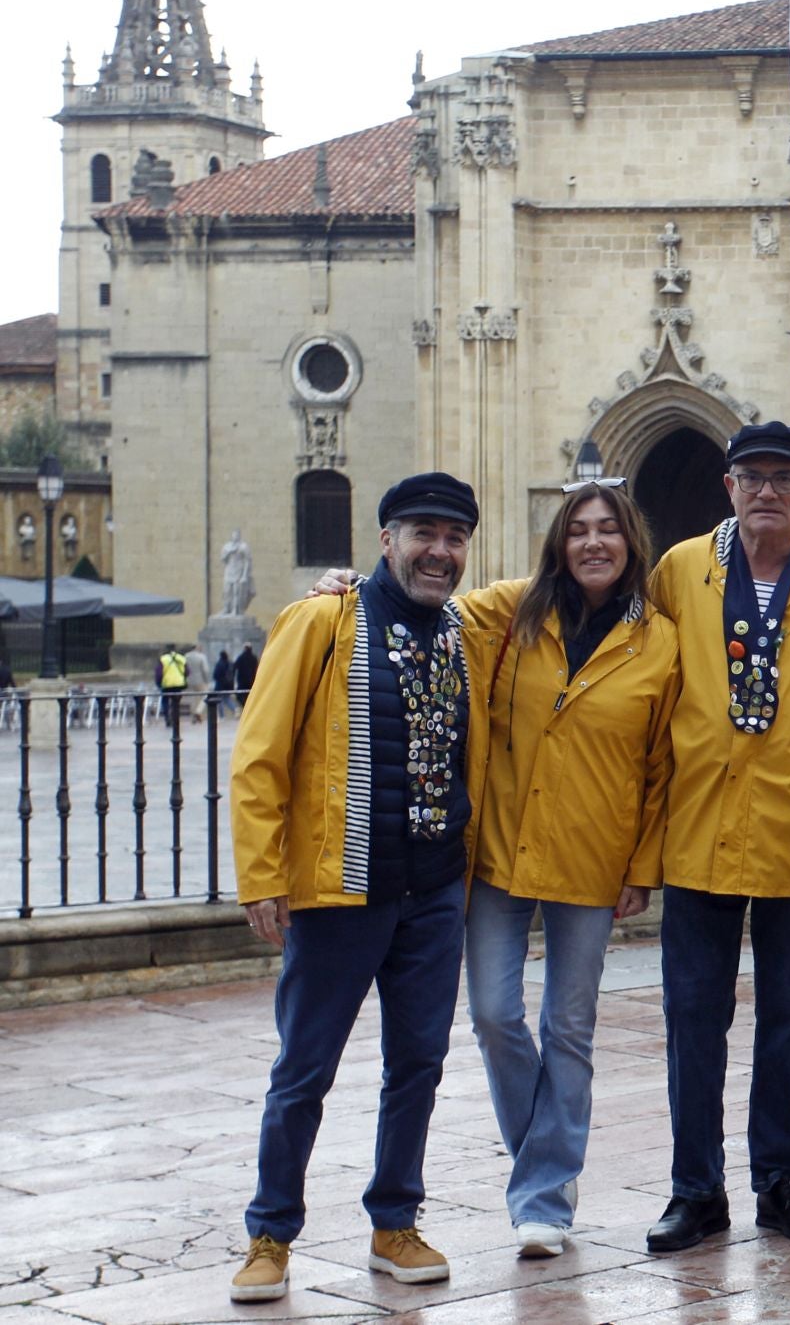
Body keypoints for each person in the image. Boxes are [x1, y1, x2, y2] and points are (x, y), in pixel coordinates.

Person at [227, 474, 498, 1303]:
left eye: (454, 538)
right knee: (304, 1068)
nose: (439, 552)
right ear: (386, 539)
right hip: (341, 892)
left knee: (418, 1063)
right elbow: (259, 752)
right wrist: (261, 875)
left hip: (434, 892)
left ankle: (395, 1220)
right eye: (423, 533)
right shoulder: (322, 620)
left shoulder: (465, 633)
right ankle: (270, 1233)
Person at [642, 421, 790, 1254]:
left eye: (785, 477)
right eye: (753, 476)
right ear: (729, 486)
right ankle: (694, 1187)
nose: (768, 491)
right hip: (700, 827)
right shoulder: (680, 571)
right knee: (692, 1017)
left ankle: (780, 1180)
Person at [425, 482, 677, 1257]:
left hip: (594, 857)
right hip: (502, 846)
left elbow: (662, 763)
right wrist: (342, 591)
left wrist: (642, 864)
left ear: (631, 540)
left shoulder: (659, 640)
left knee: (568, 1027)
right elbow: (419, 609)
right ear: (558, 543)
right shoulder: (512, 611)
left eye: (607, 529)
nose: (593, 543)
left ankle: (543, 1195)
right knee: (495, 1014)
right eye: (578, 531)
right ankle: (547, 1162)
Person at [157, 644, 188, 722]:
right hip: (178, 684)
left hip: (166, 683)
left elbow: (159, 673)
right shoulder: (181, 658)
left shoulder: (163, 659)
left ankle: (167, 718)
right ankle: (175, 717)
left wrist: (158, 683)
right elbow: (187, 671)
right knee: (176, 702)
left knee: (165, 701)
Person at [185, 642, 212, 723]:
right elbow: (205, 670)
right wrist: (207, 681)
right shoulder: (201, 656)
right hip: (200, 680)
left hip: (189, 680)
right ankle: (198, 712)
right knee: (206, 695)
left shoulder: (186, 656)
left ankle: (195, 714)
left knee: (195, 698)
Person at [213, 649, 235, 717]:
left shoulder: (219, 664)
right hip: (228, 685)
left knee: (220, 701)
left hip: (220, 685)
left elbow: (215, 675)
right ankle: (235, 710)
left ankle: (222, 716)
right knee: (227, 699)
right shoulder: (230, 663)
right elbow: (233, 674)